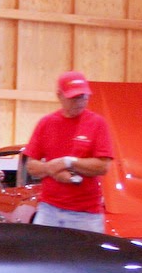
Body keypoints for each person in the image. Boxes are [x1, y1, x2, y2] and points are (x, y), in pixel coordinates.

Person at [23, 71, 115, 232]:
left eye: (84, 97)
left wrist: (68, 162)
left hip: (85, 215)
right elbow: (31, 166)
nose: (80, 102)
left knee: (88, 258)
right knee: (41, 256)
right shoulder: (46, 123)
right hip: (49, 210)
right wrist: (52, 170)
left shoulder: (97, 123)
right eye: (74, 98)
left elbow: (103, 166)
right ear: (60, 95)